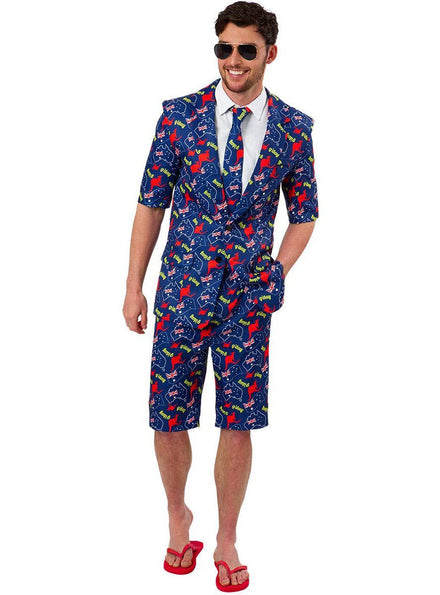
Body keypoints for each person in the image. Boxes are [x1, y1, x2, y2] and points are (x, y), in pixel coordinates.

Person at [122, 1, 318, 590]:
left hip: (247, 302)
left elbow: (305, 214)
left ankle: (227, 537)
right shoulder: (179, 116)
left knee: (239, 420)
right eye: (224, 48)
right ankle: (177, 516)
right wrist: (133, 284)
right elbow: (151, 203)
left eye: (246, 50)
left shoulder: (293, 128)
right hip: (181, 291)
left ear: (270, 54)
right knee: (168, 414)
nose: (234, 60)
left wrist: (276, 271)